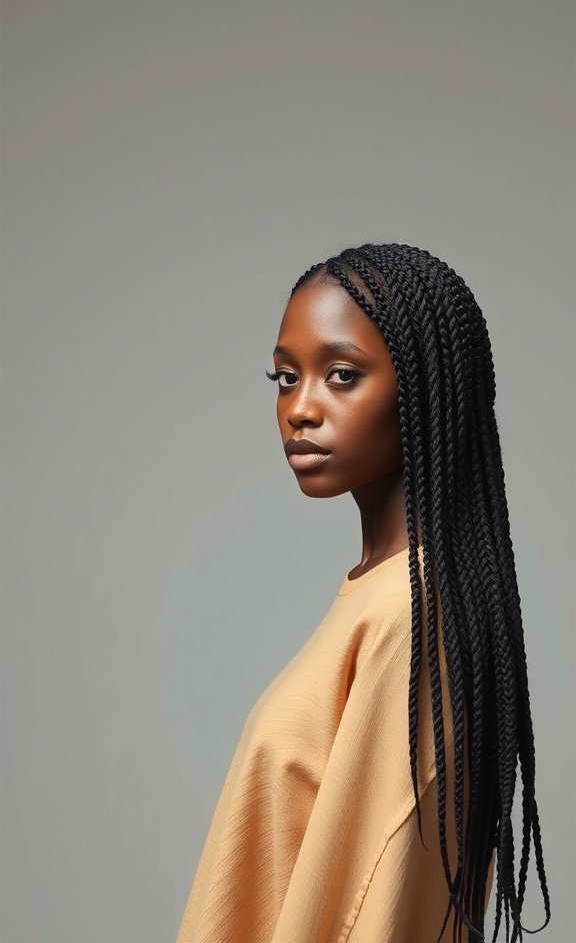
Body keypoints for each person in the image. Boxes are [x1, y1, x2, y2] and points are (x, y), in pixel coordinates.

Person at [175, 243, 551, 942]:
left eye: (341, 375)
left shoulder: (407, 616)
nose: (300, 408)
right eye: (285, 377)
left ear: (427, 387)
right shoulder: (385, 597)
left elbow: (368, 906)